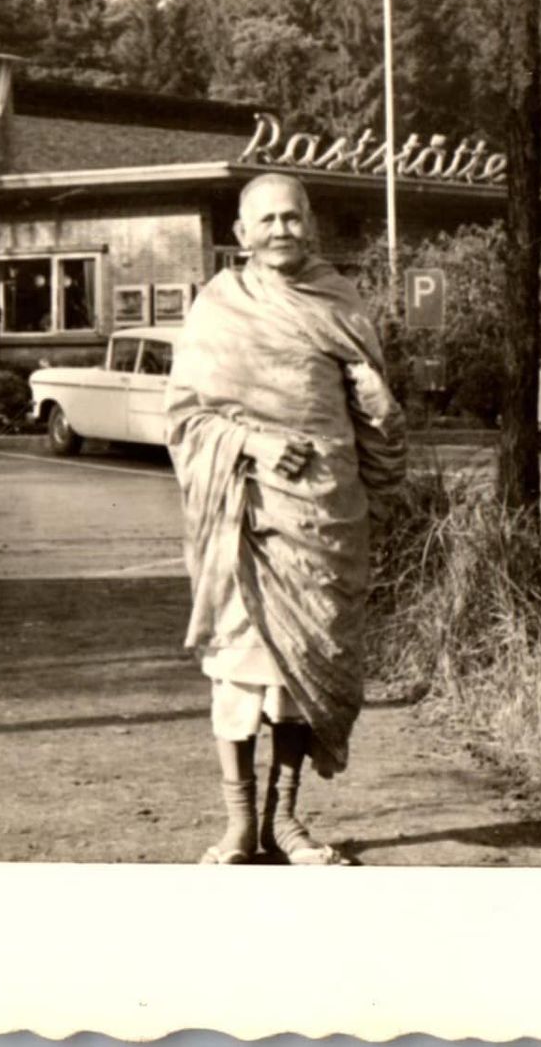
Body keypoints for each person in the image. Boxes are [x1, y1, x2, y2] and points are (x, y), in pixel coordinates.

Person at [166, 173, 407, 865]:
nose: (280, 230)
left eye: (292, 218)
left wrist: (378, 400)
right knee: (243, 672)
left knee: (305, 673)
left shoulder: (340, 301)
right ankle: (240, 824)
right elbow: (185, 417)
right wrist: (254, 443)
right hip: (243, 517)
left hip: (325, 522)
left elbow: (378, 423)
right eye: (265, 219)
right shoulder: (217, 308)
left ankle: (286, 821)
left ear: (313, 226)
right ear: (240, 235)